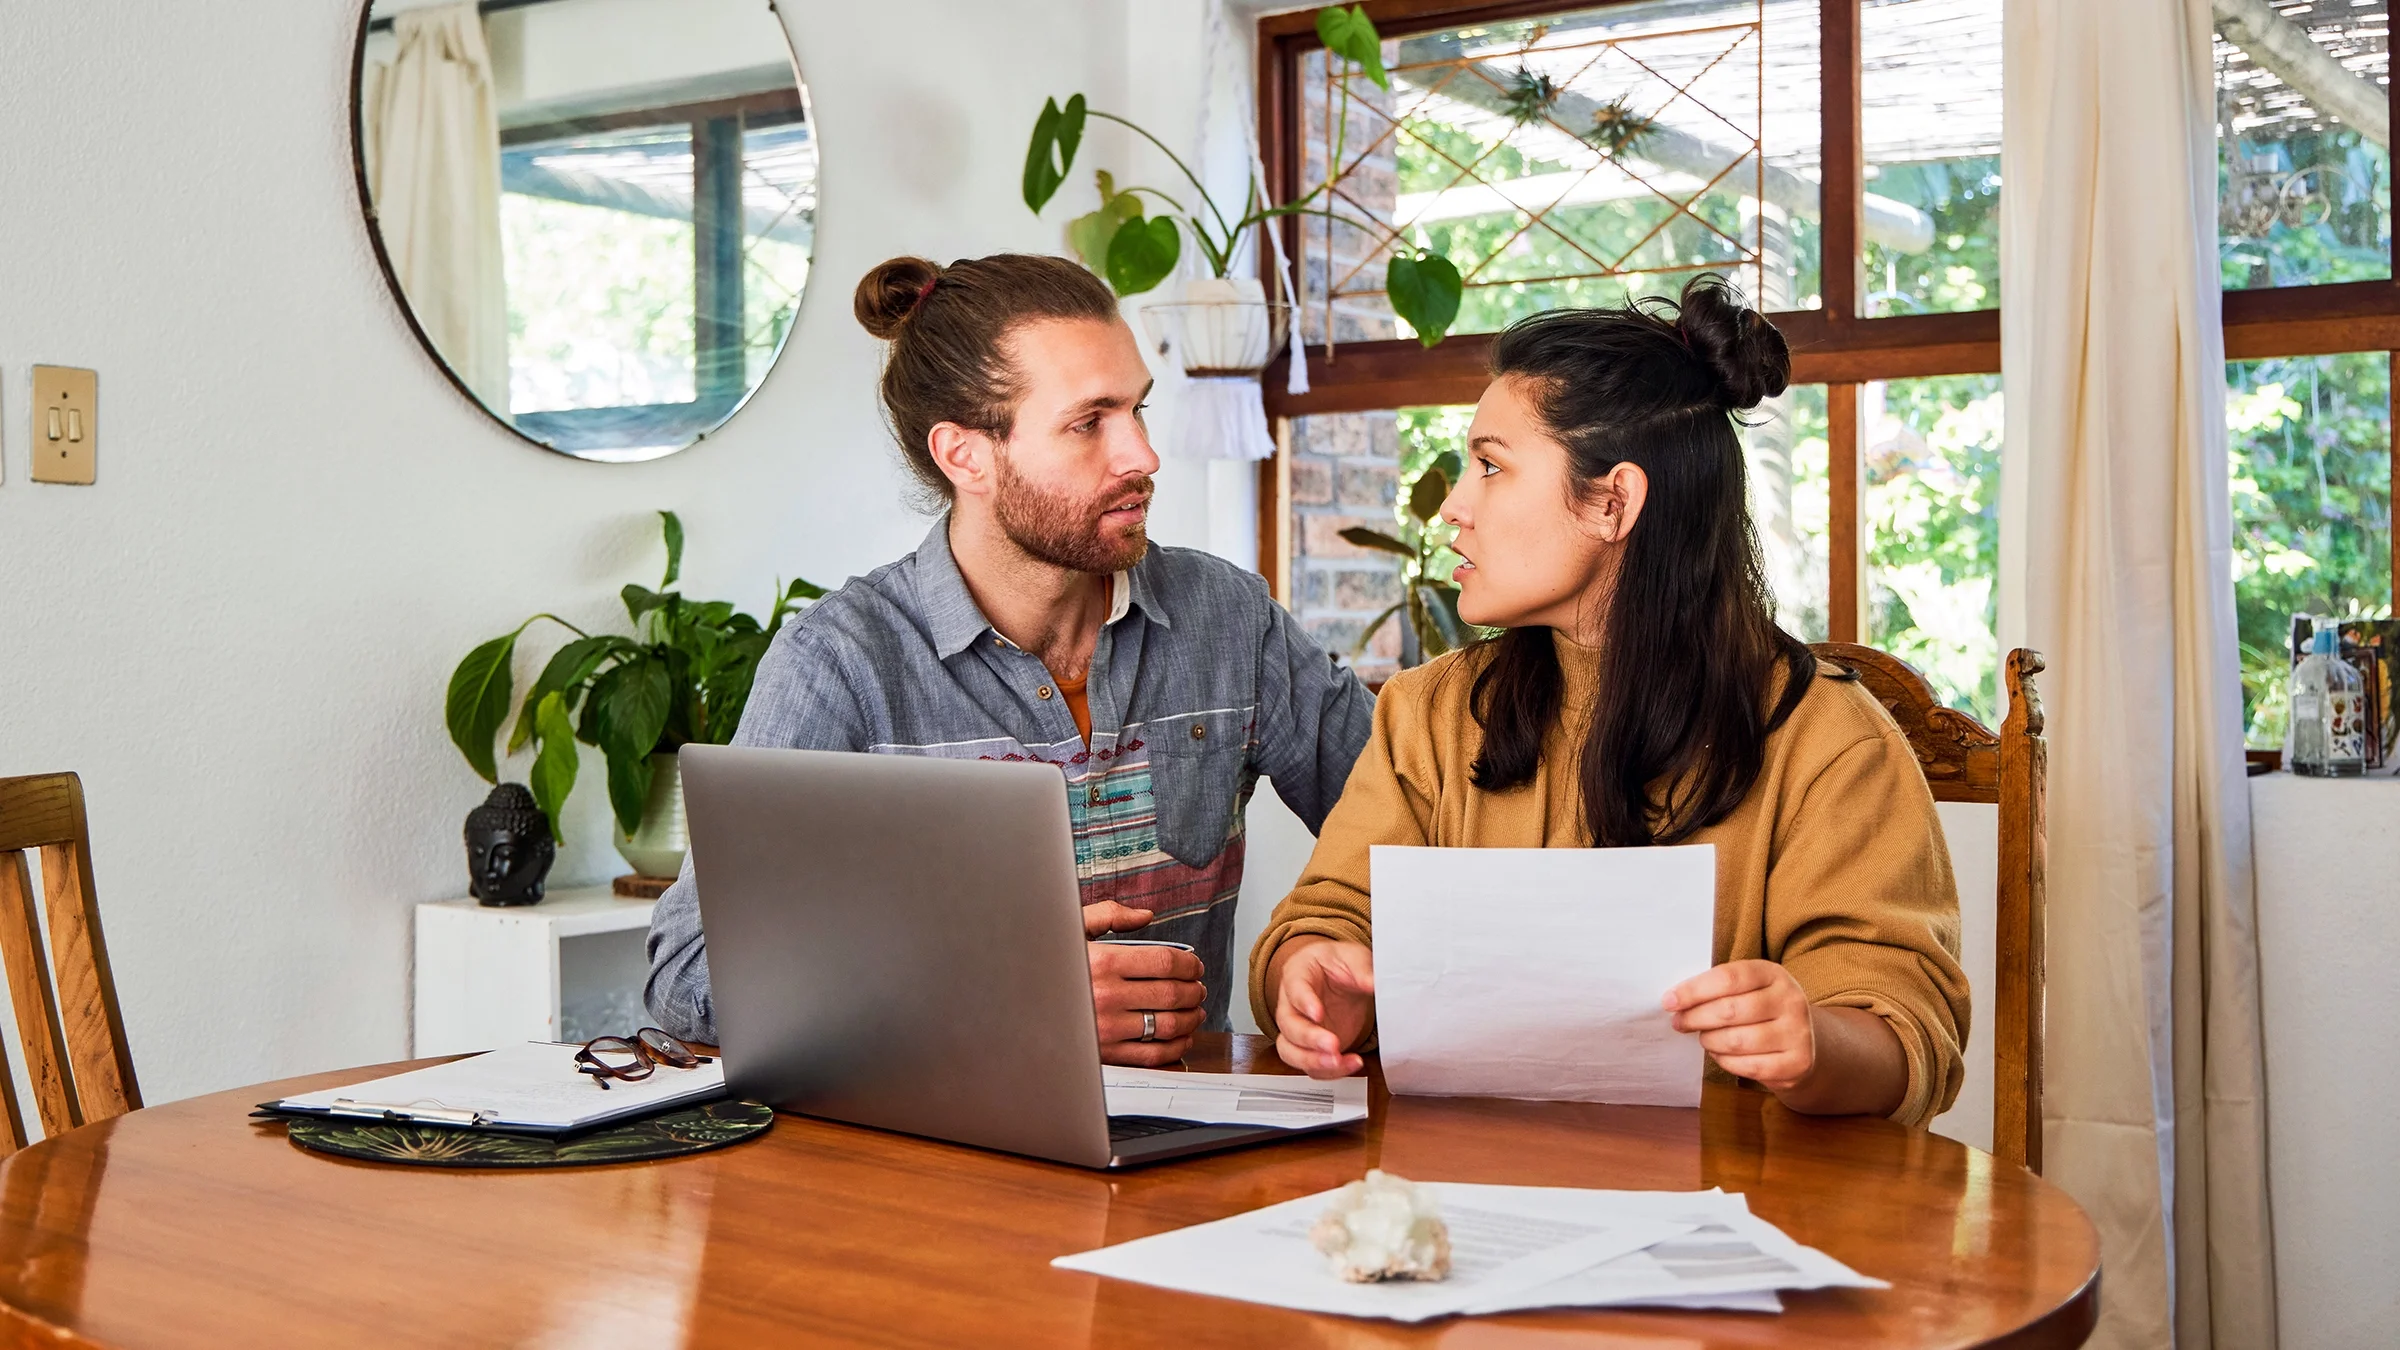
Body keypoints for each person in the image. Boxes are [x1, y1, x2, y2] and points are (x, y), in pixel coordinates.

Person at [1251, 276, 1970, 1125]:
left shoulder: (1831, 740)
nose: (1453, 506)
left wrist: (1811, 1039)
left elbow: (1904, 1025)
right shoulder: (1425, 713)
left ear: (1613, 501)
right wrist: (1309, 977)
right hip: (1461, 1197)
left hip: (1728, 1214)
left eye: (1490, 466)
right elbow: (1329, 919)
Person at [646, 252, 1375, 1066]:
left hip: (1190, 1146)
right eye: (1089, 421)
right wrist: (1010, 996)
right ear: (966, 456)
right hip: (945, 1160)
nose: (1142, 455)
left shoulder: (1230, 620)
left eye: (1137, 410)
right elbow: (687, 975)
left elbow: (1412, 830)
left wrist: (1316, 954)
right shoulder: (840, 663)